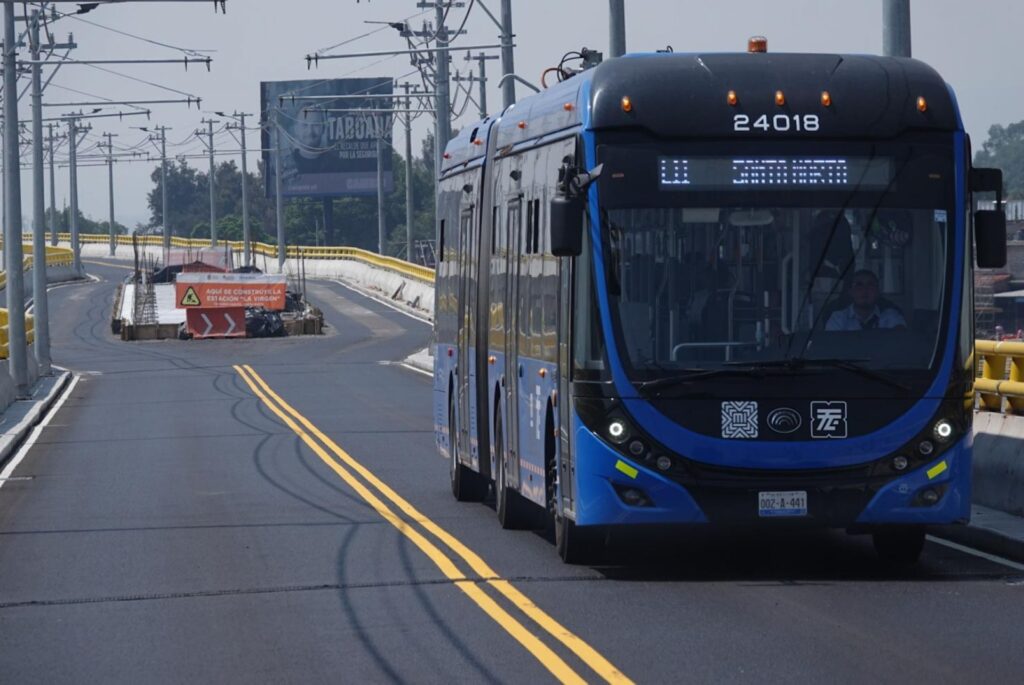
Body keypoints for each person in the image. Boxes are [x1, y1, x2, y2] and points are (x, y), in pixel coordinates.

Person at [824, 269, 906, 331]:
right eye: (859, 285)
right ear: (851, 292)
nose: (865, 290)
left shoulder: (891, 316)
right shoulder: (838, 318)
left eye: (870, 285)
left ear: (877, 291)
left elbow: (900, 344)